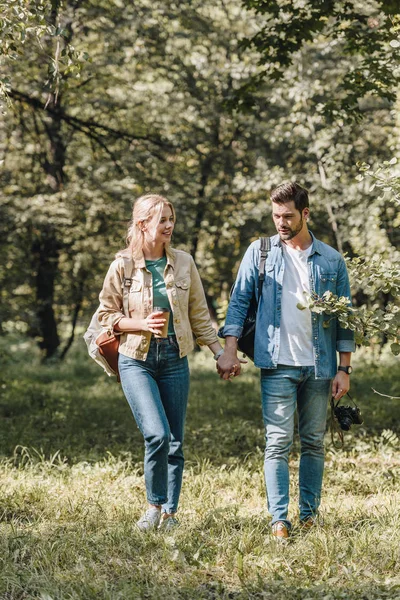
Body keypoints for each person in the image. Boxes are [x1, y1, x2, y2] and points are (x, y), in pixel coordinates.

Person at [217, 182, 355, 540]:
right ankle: (279, 519)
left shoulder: (331, 259)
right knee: (277, 442)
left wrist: (344, 368)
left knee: (313, 442)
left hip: (320, 367)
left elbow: (345, 319)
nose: (280, 222)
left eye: (288, 215)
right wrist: (229, 349)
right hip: (276, 363)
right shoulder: (259, 252)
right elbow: (238, 302)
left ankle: (309, 516)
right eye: (276, 215)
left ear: (305, 214)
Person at [98, 194, 223, 532]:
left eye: (172, 218)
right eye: (163, 220)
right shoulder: (122, 266)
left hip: (173, 357)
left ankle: (170, 513)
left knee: (176, 440)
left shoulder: (184, 262)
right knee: (157, 435)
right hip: (135, 358)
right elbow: (106, 315)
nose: (169, 225)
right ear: (143, 225)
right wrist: (140, 324)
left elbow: (198, 315)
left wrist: (219, 352)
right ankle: (153, 506)